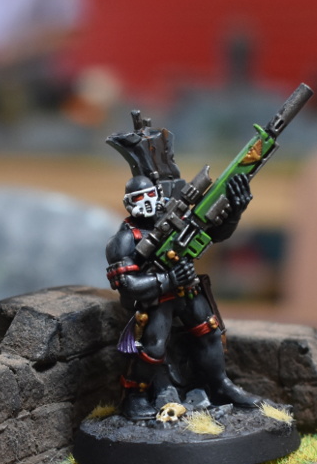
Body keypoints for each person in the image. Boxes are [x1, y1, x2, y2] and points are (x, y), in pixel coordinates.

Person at [105, 132, 261, 421]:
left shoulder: (173, 220)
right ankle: (135, 396)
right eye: (138, 198)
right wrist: (168, 280)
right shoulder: (126, 239)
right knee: (153, 348)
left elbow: (213, 234)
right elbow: (126, 285)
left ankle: (219, 385)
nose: (146, 202)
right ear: (128, 203)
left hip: (187, 289)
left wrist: (234, 212)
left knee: (210, 332)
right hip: (157, 299)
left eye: (150, 195)